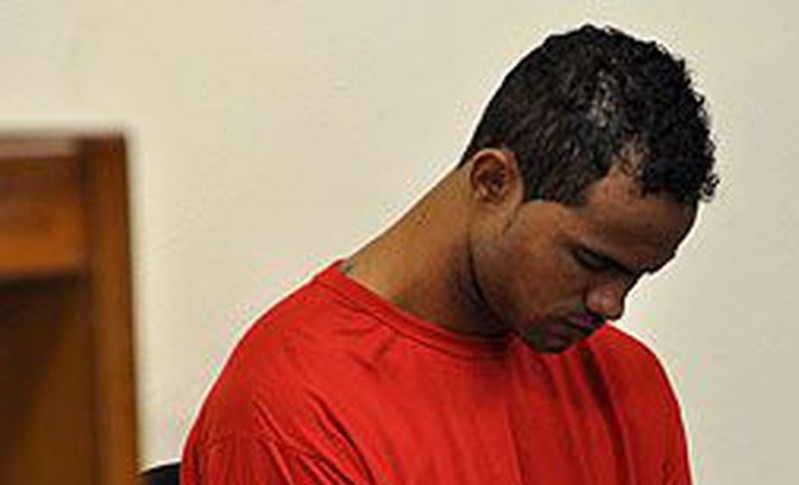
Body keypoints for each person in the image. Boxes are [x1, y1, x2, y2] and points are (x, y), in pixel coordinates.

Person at [182, 24, 717, 484]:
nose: (612, 305)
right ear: (493, 181)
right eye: (592, 262)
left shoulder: (630, 384)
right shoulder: (295, 411)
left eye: (639, 275)